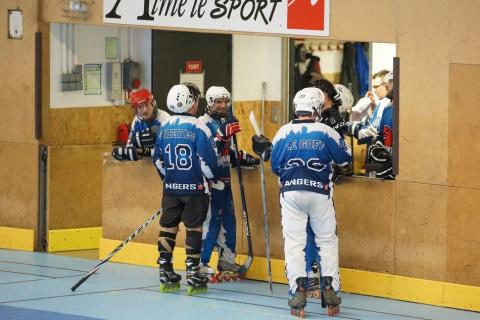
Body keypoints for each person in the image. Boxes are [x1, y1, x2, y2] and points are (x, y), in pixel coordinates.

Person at [270, 87, 351, 317]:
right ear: (317, 107)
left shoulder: (282, 133)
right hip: (320, 193)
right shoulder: (326, 131)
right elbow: (345, 159)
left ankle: (298, 293)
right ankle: (331, 291)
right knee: (326, 241)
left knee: (294, 243)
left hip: (291, 193)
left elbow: (275, 167)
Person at [152, 84, 218, 295]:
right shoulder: (199, 127)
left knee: (168, 226)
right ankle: (192, 272)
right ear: (191, 102)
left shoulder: (164, 126)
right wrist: (211, 179)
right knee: (194, 227)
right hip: (195, 189)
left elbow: (158, 160)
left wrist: (169, 180)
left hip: (171, 189)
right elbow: (209, 162)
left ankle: (165, 268)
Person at [199, 86, 259, 281]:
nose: (223, 105)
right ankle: (202, 262)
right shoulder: (203, 124)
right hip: (210, 182)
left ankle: (226, 259)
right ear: (209, 102)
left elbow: (228, 151)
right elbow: (206, 151)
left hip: (225, 180)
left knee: (229, 219)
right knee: (212, 221)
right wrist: (220, 137)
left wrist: (240, 158)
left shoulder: (225, 121)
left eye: (225, 101)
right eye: (218, 102)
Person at [111, 88, 170, 161]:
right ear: (136, 110)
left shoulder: (165, 119)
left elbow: (169, 150)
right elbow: (130, 146)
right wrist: (128, 152)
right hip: (144, 165)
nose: (145, 110)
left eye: (147, 105)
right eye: (140, 107)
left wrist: (142, 151)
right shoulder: (137, 121)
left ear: (153, 104)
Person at [365, 71, 394, 179]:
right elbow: (380, 134)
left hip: (398, 171)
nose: (386, 85)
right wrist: (376, 145)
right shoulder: (388, 108)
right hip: (386, 166)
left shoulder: (405, 111)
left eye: (390, 82)